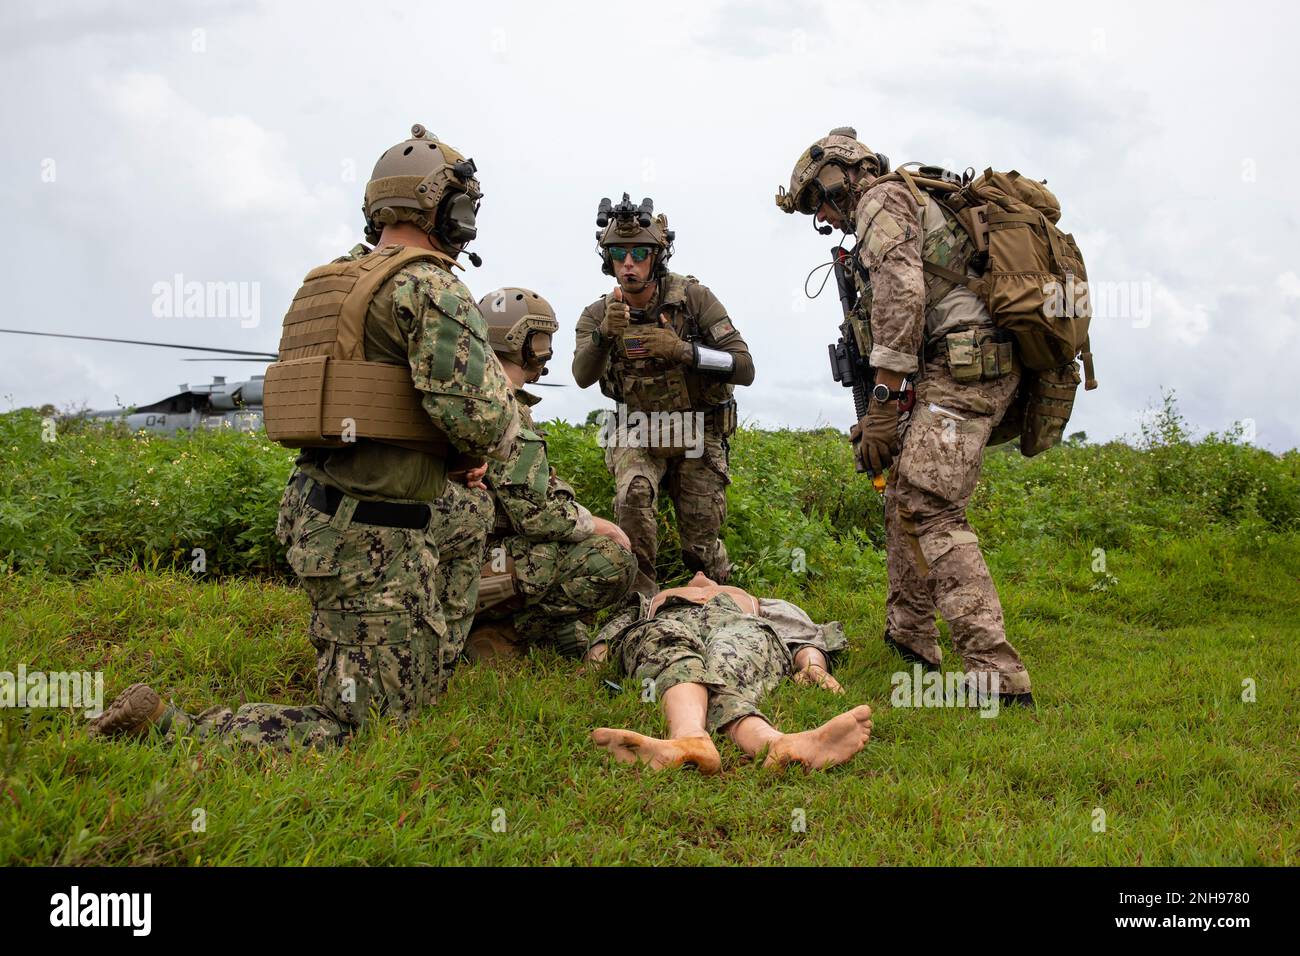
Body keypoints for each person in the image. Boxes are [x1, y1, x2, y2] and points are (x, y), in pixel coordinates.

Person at [89, 124, 520, 748]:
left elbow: (356, 400)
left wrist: (442, 459)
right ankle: (175, 730)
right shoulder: (431, 285)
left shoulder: (335, 279)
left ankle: (410, 657)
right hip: (375, 534)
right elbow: (480, 417)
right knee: (372, 732)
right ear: (442, 210)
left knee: (467, 516)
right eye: (466, 209)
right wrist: (470, 447)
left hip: (321, 508)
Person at [775, 127, 1033, 704]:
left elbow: (903, 294)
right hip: (953, 363)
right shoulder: (899, 200)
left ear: (838, 177)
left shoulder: (879, 199)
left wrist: (887, 405)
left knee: (928, 503)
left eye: (819, 202)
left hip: (968, 363)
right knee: (901, 496)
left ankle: (996, 677)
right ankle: (910, 637)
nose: (824, 218)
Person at [572, 194, 753, 596]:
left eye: (639, 253)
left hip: (697, 426)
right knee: (634, 493)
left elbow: (744, 367)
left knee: (700, 542)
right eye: (619, 254)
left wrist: (683, 351)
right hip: (638, 427)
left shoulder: (693, 299)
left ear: (657, 256)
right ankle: (641, 599)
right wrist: (604, 335)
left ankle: (717, 593)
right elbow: (582, 376)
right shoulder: (596, 313)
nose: (629, 264)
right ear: (609, 260)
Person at [464, 286, 637, 660]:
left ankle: (517, 628)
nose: (547, 350)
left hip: (469, 553)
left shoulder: (475, 396)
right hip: (472, 562)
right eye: (542, 338)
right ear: (521, 340)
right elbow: (536, 515)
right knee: (612, 561)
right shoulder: (502, 408)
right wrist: (596, 524)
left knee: (570, 633)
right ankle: (499, 635)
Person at [588, 572, 872, 773]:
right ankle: (698, 738)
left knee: (730, 661)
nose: (699, 574)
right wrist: (594, 662)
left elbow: (800, 631)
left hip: (735, 621)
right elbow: (615, 627)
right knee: (666, 647)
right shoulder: (651, 601)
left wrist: (813, 666)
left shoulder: (752, 600)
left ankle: (769, 742)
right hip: (668, 621)